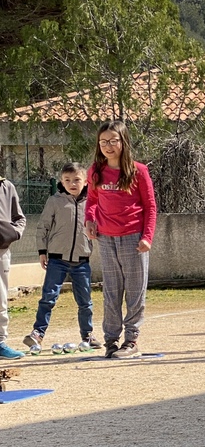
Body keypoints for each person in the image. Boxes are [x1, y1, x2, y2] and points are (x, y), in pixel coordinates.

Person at [84, 120, 156, 359]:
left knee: (135, 291)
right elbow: (92, 200)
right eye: (103, 142)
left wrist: (147, 237)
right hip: (106, 238)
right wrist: (90, 220)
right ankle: (111, 340)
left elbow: (150, 206)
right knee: (111, 291)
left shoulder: (138, 171)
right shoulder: (95, 171)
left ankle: (131, 340)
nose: (108, 146)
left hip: (133, 238)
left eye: (113, 141)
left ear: (123, 142)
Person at [25, 163, 98, 353]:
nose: (72, 183)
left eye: (76, 180)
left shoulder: (92, 202)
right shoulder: (54, 201)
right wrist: (42, 251)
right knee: (48, 298)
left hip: (82, 260)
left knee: (85, 301)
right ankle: (37, 333)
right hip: (57, 260)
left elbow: (99, 224)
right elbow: (43, 227)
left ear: (85, 181)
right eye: (67, 180)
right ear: (61, 182)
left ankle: (88, 335)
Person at [0, 169, 26, 360]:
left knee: (0, 299)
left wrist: (13, 233)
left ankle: (0, 342)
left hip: (1, 252)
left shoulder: (6, 186)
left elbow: (19, 218)